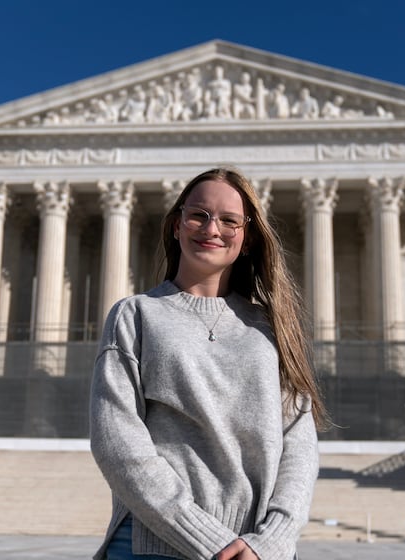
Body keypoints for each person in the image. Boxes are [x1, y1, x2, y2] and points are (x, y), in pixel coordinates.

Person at [90, 167, 327, 560]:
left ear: (247, 238)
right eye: (198, 214)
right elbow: (117, 441)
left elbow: (299, 445)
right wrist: (206, 538)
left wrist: (272, 540)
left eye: (229, 220)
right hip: (156, 545)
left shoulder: (274, 327)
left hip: (257, 551)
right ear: (177, 225)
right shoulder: (135, 315)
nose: (211, 228)